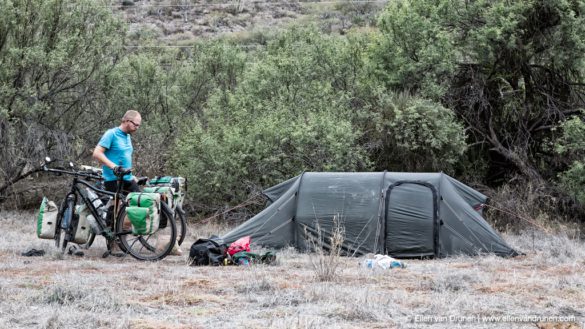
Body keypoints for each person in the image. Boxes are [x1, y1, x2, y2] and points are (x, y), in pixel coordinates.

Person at [92, 110, 142, 193]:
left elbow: (122, 157)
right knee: (117, 206)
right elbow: (97, 153)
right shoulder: (111, 134)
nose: (137, 128)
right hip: (113, 180)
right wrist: (114, 167)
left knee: (140, 202)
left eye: (138, 126)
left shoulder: (128, 136)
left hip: (127, 179)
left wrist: (130, 176)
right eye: (135, 125)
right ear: (127, 121)